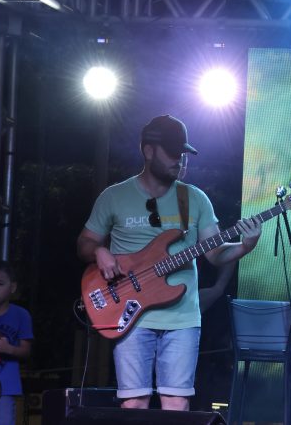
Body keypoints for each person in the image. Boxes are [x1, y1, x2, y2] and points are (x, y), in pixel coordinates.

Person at [76, 115, 262, 411]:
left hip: (183, 319)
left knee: (176, 404)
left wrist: (245, 245)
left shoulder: (195, 199)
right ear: (148, 151)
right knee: (133, 403)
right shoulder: (114, 196)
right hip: (130, 315)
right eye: (173, 152)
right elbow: (84, 243)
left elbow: (215, 253)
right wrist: (100, 251)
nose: (180, 160)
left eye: (183, 153)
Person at [0, 261, 33, 425]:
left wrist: (7, 348)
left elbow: (26, 352)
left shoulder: (21, 315)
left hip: (5, 387)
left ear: (12, 287)